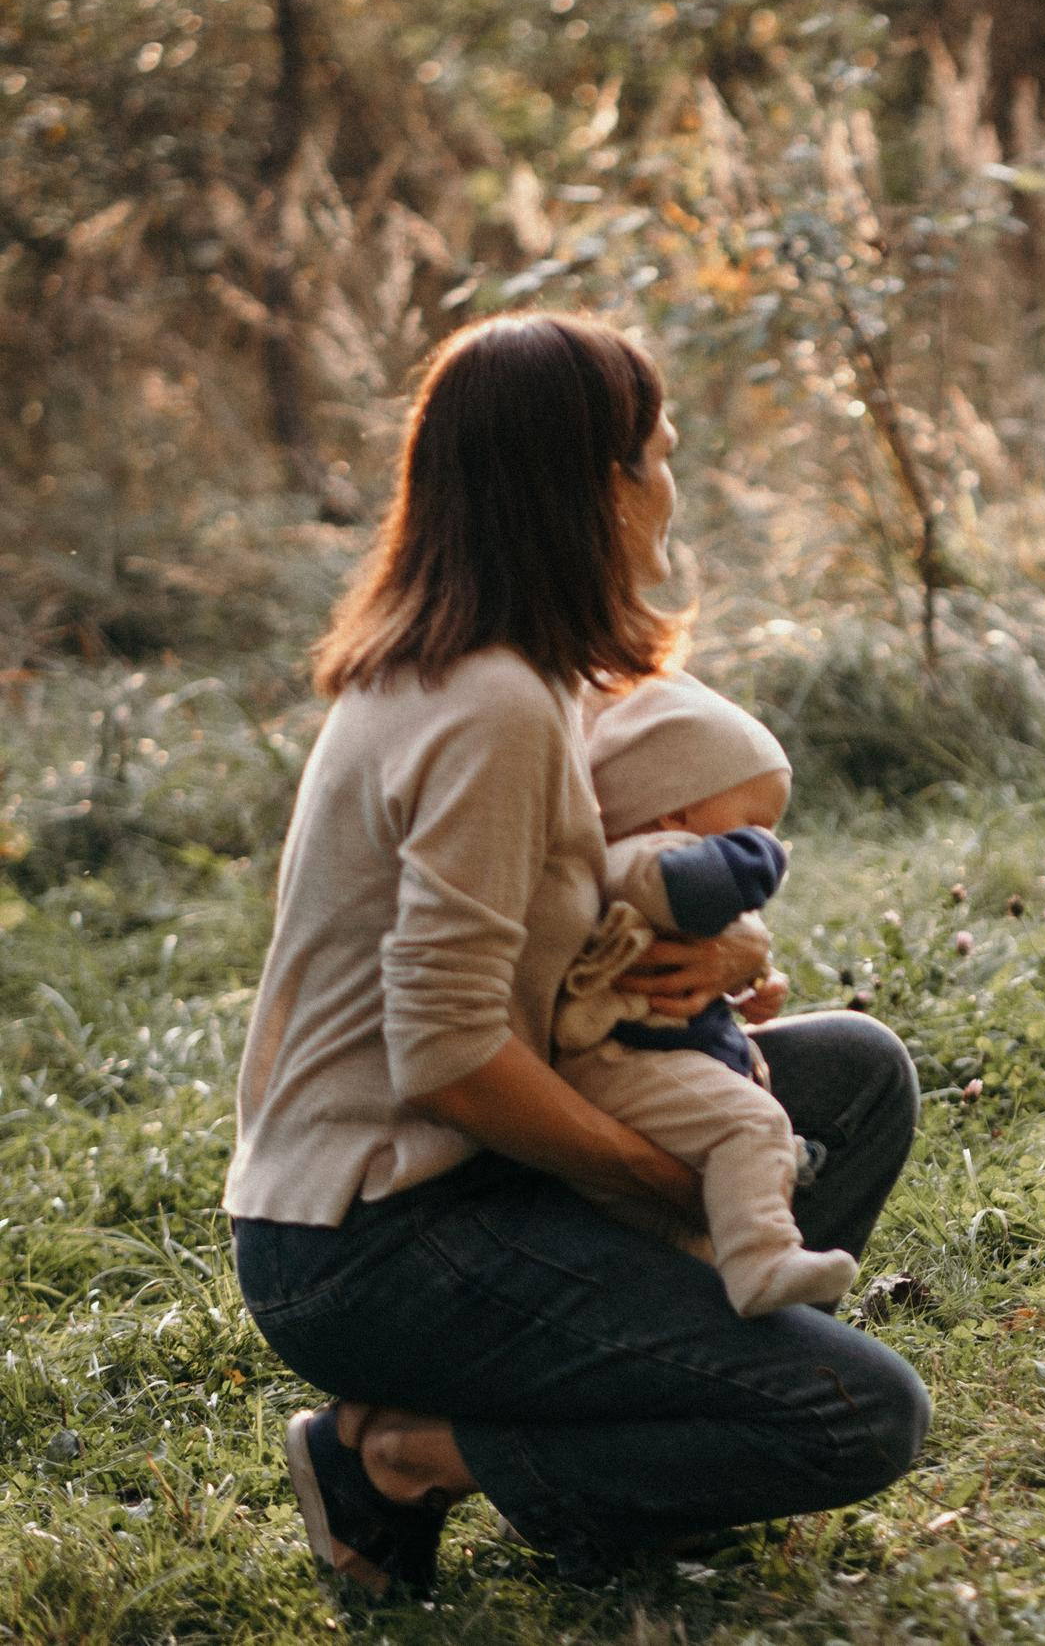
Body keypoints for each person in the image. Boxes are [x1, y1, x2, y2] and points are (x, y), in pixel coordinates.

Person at [225, 312, 928, 1598]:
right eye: (655, 456)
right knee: (855, 1411)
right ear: (593, 485)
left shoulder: (494, 673)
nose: (670, 487)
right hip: (373, 1242)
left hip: (446, 1179)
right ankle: (393, 1462)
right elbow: (443, 1054)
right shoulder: (487, 706)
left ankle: (660, 1451)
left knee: (854, 1073)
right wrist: (667, 1186)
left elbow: (548, 936)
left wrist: (714, 966)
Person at [557, 670, 858, 1319]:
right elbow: (700, 890)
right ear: (676, 808)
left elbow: (707, 932)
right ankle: (762, 1260)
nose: (766, 838)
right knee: (753, 1124)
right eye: (753, 820)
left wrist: (749, 979)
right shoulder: (641, 859)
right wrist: (761, 855)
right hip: (620, 1067)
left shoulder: (669, 852)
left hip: (666, 1056)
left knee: (684, 1244)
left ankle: (719, 1314)